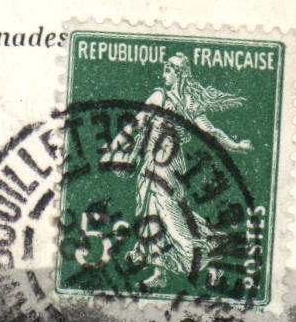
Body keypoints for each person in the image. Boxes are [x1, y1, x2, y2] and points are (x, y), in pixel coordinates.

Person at [104, 53, 252, 289]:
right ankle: (160, 272)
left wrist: (235, 145)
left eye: (169, 69)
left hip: (169, 167)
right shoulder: (158, 96)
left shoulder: (189, 103)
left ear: (180, 73)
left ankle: (210, 256)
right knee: (148, 215)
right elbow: (137, 123)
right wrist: (114, 147)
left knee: (173, 222)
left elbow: (210, 131)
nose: (164, 74)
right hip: (150, 166)